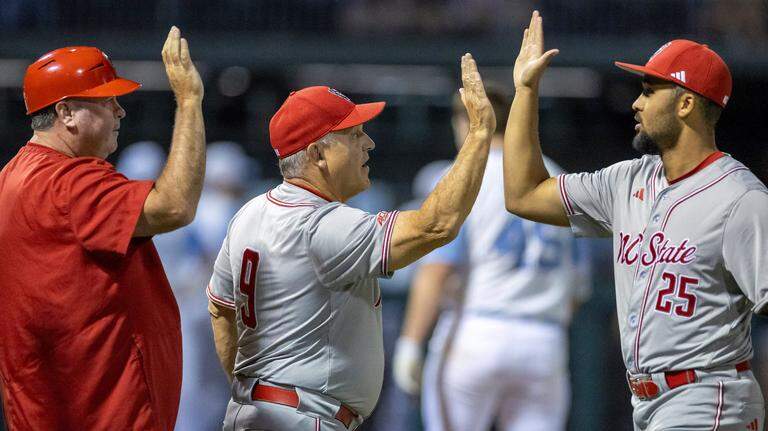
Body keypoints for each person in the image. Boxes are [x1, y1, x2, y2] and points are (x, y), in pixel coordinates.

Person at [503, 11, 766, 430]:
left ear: (686, 103)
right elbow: (524, 195)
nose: (636, 103)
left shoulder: (741, 198)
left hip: (708, 397)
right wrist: (526, 91)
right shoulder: (627, 180)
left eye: (648, 91)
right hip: (648, 403)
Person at [206, 54, 495, 431]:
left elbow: (220, 311)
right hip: (301, 415)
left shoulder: (248, 214)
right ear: (317, 154)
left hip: (259, 410)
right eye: (354, 135)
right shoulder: (322, 224)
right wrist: (479, 135)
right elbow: (435, 226)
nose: (369, 143)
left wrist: (253, 389)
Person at [0, 27, 205, 430]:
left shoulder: (12, 176)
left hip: (52, 408)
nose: (120, 111)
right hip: (100, 412)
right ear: (65, 113)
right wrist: (189, 101)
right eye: (106, 100)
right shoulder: (67, 181)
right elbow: (174, 206)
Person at [393, 85, 590, 431]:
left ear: (465, 122)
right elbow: (578, 288)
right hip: (544, 338)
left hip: (476, 329)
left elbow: (437, 269)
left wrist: (410, 341)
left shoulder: (464, 177)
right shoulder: (557, 176)